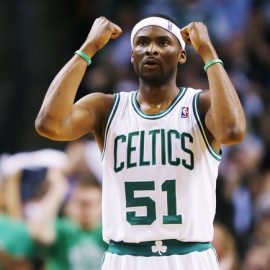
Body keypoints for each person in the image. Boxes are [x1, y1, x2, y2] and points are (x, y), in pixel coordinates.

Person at [35, 14, 246, 270]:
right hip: (125, 257)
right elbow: (49, 124)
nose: (152, 49)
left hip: (190, 256)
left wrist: (209, 53)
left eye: (163, 42)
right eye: (142, 43)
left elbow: (233, 131)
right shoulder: (107, 107)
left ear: (181, 54)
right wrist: (87, 48)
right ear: (132, 55)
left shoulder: (201, 104)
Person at [28, 168, 106, 270]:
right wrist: (57, 190)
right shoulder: (63, 230)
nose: (87, 210)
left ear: (101, 205)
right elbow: (37, 232)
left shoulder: (107, 234)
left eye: (92, 204)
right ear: (72, 205)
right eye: (82, 203)